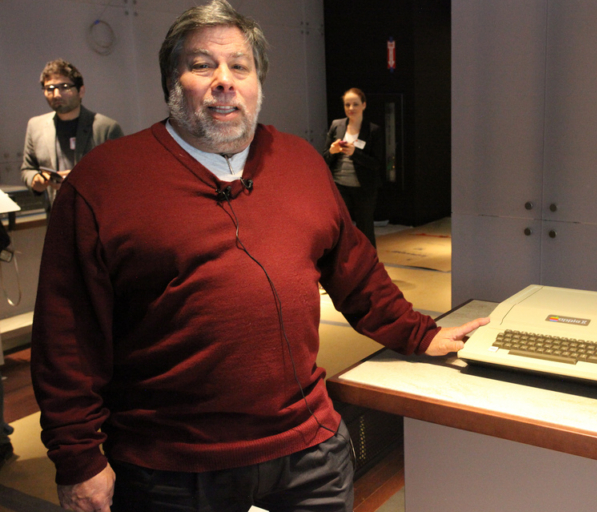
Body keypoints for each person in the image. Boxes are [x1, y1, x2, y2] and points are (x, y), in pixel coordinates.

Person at [29, 2, 487, 511]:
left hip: (308, 454)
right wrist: (78, 458)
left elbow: (356, 273)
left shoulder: (299, 162)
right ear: (172, 80)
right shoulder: (106, 180)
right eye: (202, 65)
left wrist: (421, 334)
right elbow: (66, 334)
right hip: (171, 470)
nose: (224, 81)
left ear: (258, 82)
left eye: (239, 66)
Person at [20, 59, 124, 212]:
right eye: (50, 88)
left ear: (81, 91)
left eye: (64, 87)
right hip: (57, 213)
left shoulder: (106, 128)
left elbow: (122, 175)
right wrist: (37, 180)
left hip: (96, 213)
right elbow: (28, 169)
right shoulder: (35, 126)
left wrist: (78, 180)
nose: (56, 94)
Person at [323, 88, 383, 247]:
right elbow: (324, 158)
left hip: (364, 188)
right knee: (341, 227)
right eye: (347, 104)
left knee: (365, 228)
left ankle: (369, 261)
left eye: (355, 104)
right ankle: (344, 261)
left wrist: (354, 153)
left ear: (364, 105)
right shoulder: (336, 125)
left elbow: (376, 163)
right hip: (339, 185)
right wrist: (332, 151)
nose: (351, 108)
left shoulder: (373, 130)